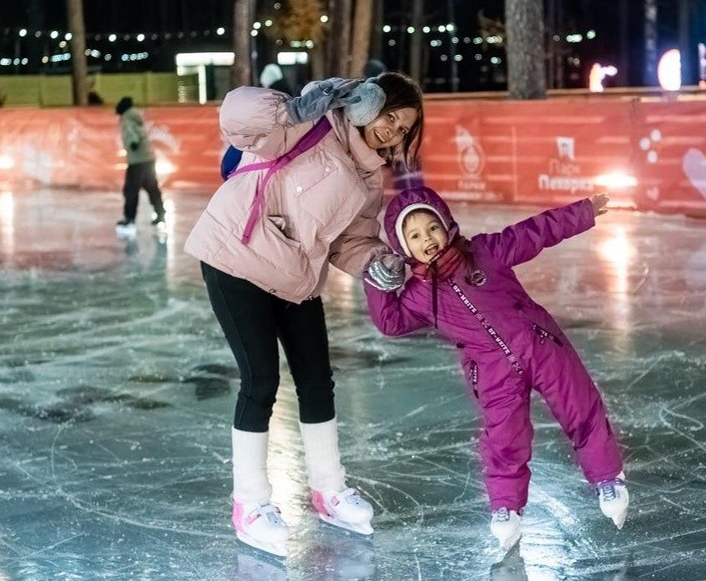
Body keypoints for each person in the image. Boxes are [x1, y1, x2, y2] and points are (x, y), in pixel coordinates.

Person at [184, 72, 424, 557]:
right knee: (261, 381)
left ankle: (328, 490)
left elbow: (352, 241)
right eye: (391, 116)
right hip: (236, 255)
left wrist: (377, 262)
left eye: (403, 129)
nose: (393, 132)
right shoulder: (310, 124)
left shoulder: (368, 175)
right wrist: (289, 111)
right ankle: (250, 504)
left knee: (317, 380)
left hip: (294, 273)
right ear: (367, 102)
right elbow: (235, 116)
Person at [363, 186, 628, 554]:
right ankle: (506, 507)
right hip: (491, 370)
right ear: (404, 247)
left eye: (432, 228)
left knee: (580, 407)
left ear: (446, 225)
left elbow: (535, 232)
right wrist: (377, 282)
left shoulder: (486, 252)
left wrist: (583, 212)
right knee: (504, 437)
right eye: (416, 235)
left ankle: (607, 478)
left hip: (540, 344)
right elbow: (389, 322)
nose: (428, 239)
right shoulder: (418, 296)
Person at [115, 96, 165, 235]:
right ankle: (161, 213)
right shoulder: (135, 115)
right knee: (151, 187)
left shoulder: (126, 118)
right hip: (148, 158)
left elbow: (132, 134)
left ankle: (129, 218)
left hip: (138, 160)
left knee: (131, 190)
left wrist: (133, 142)